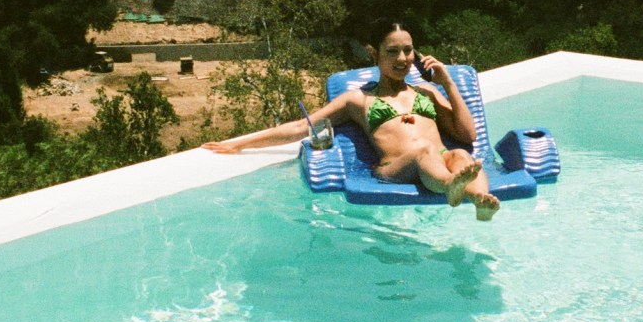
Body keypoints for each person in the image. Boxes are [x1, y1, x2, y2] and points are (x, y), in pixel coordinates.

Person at [204, 21, 501, 220]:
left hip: (438, 159)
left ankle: (479, 202)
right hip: (395, 168)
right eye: (393, 51)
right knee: (423, 149)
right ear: (375, 54)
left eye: (408, 50)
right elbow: (299, 127)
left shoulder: (427, 90)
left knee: (461, 155)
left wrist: (447, 82)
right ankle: (451, 185)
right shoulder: (357, 100)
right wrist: (239, 144)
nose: (403, 59)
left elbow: (467, 135)